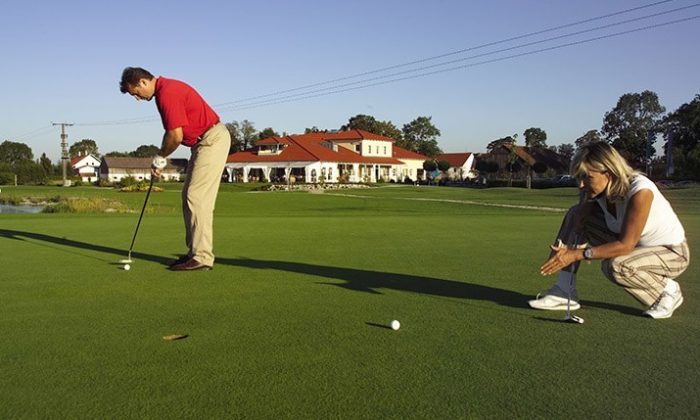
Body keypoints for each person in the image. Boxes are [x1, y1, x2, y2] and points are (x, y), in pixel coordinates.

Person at [530, 141, 689, 319]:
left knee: (617, 265)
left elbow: (626, 245)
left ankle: (669, 290)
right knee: (575, 213)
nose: (581, 184)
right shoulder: (597, 192)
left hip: (672, 253)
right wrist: (566, 246)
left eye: (587, 177)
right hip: (638, 249)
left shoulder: (640, 191)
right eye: (579, 177)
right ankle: (564, 289)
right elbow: (580, 217)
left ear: (610, 172)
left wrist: (578, 253)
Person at [119, 67, 231, 271]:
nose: (137, 98)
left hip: (212, 139)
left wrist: (160, 158)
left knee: (196, 197)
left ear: (143, 82)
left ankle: (202, 257)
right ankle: (195, 253)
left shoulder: (167, 93)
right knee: (189, 196)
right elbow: (172, 134)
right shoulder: (165, 90)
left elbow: (175, 135)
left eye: (135, 93)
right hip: (203, 142)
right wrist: (161, 157)